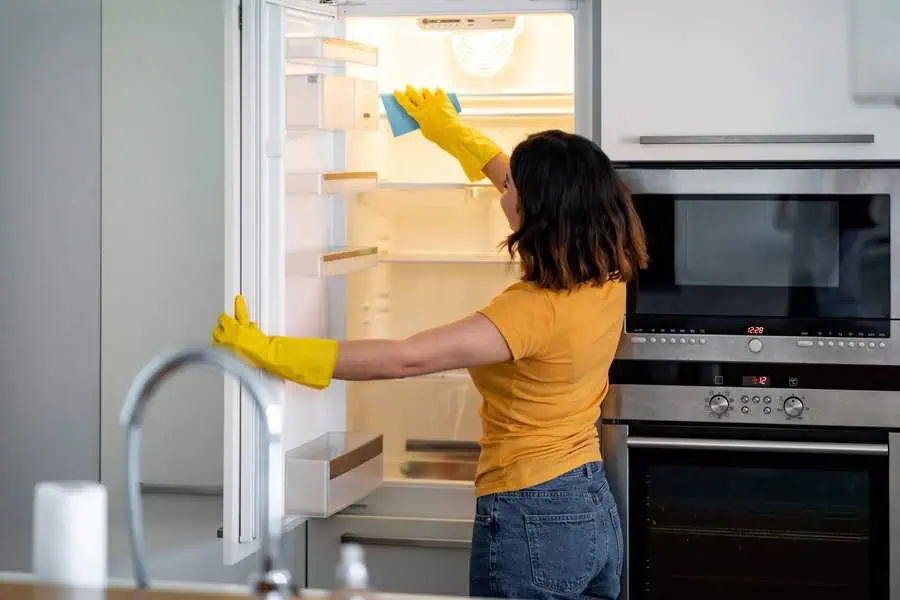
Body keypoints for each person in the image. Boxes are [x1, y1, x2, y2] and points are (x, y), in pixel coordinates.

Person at [212, 85, 649, 600]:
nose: (503, 191)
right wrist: (449, 131)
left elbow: (405, 357)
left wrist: (275, 351)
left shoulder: (530, 311)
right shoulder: (606, 273)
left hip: (531, 510)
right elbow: (505, 172)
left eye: (514, 190)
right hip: (590, 505)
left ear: (540, 212)